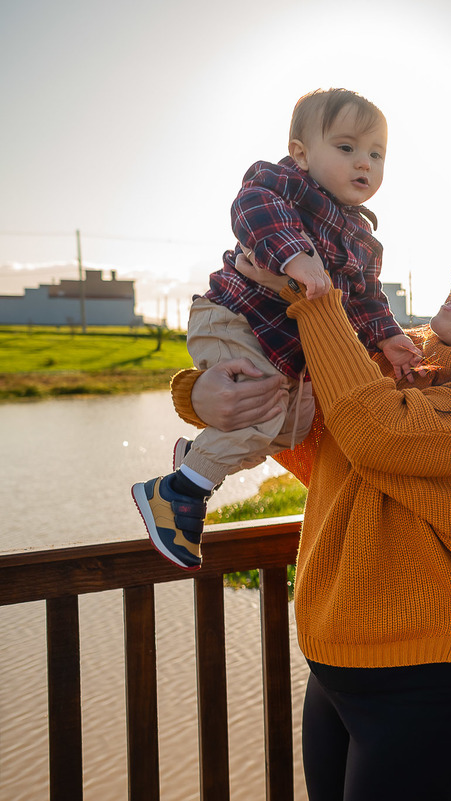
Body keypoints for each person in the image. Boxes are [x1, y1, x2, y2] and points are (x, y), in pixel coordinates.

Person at [172, 235, 451, 800]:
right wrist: (202, 396)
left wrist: (317, 300)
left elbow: (377, 434)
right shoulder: (403, 356)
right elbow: (312, 437)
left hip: (436, 676)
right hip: (337, 661)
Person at [132, 87, 421, 570]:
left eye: (376, 154)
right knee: (263, 411)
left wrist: (388, 335)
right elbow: (254, 212)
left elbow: (368, 298)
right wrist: (295, 256)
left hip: (286, 352)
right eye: (346, 148)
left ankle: (200, 458)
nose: (364, 164)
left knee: (293, 427)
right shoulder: (283, 186)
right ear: (301, 154)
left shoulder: (365, 241)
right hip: (235, 318)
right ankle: (178, 492)